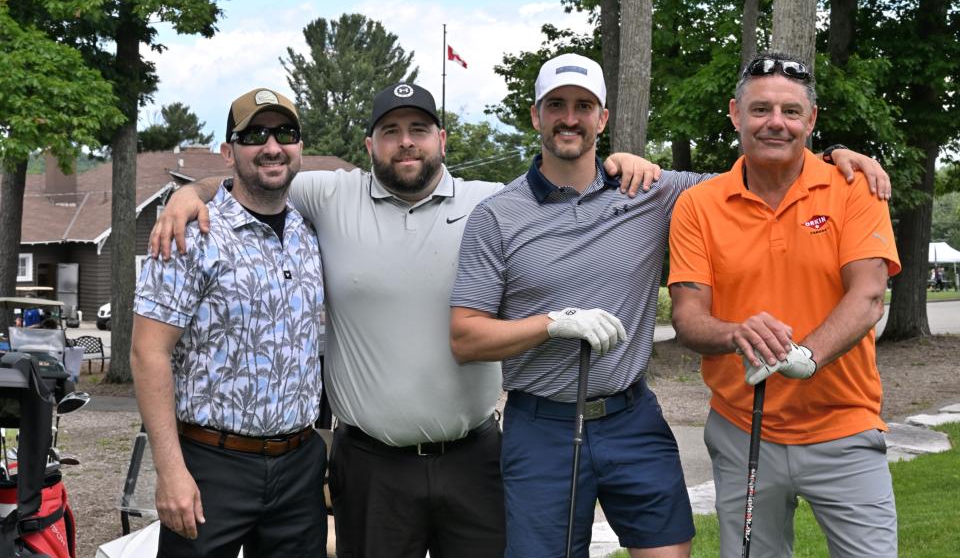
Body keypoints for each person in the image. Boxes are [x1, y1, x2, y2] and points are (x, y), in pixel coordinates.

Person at [148, 80, 661, 558]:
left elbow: (567, 181)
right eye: (390, 132)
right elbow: (254, 177)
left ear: (442, 139)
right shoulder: (329, 195)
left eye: (418, 130)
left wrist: (617, 162)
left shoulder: (497, 204)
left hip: (473, 457)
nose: (406, 143)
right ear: (370, 145)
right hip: (371, 465)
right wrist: (187, 194)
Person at [448, 52, 892, 558]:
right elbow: (465, 338)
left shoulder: (654, 191)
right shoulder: (496, 216)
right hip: (541, 423)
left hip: (629, 416)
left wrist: (838, 154)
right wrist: (552, 324)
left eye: (583, 105)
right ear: (536, 115)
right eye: (556, 105)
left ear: (603, 119)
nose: (569, 117)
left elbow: (764, 169)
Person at [667, 51, 901, 557]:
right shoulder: (698, 205)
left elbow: (867, 295)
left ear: (811, 120)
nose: (776, 123)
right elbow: (688, 317)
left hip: (845, 425)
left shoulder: (853, 187)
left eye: (791, 112)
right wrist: (737, 335)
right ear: (735, 114)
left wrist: (806, 356)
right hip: (741, 427)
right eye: (760, 110)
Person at [131, 87, 327, 557]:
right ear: (228, 151)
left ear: (300, 146)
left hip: (299, 465)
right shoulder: (191, 233)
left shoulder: (312, 231)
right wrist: (170, 471)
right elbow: (147, 352)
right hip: (210, 463)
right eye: (254, 134)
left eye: (285, 133)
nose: (272, 146)